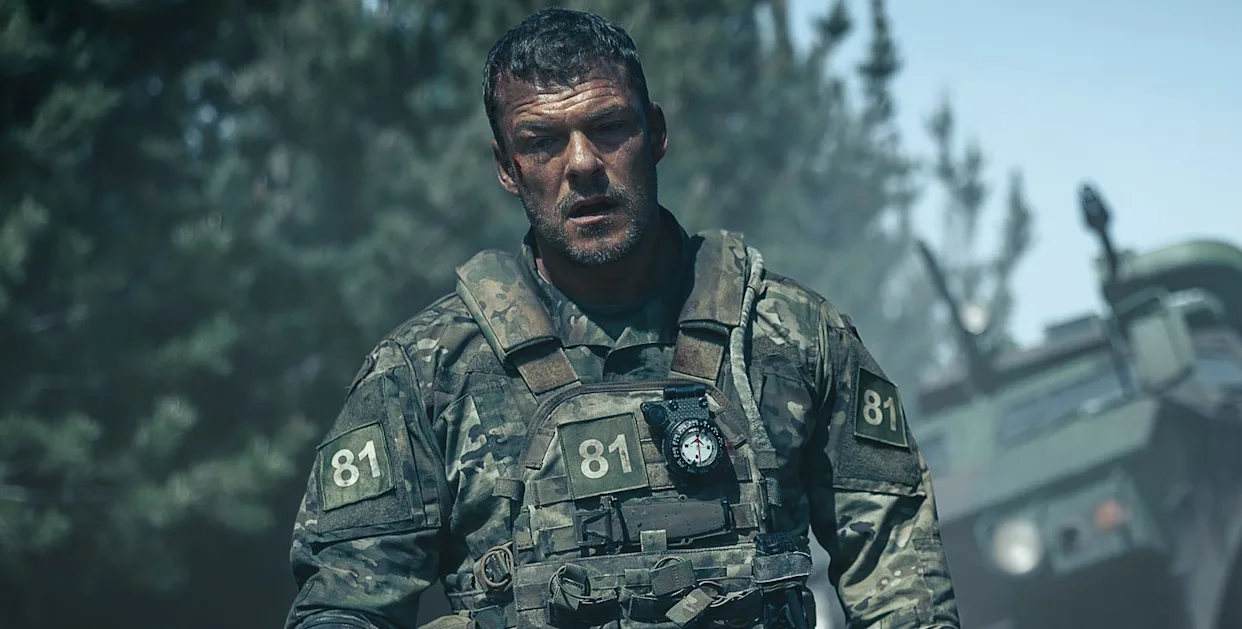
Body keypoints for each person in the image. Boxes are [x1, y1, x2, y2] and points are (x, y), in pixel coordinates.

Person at [284, 7, 960, 629]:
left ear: (655, 133)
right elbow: (343, 607)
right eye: (542, 142)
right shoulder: (427, 373)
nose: (583, 164)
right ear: (507, 168)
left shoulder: (792, 337)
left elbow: (905, 593)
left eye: (608, 128)